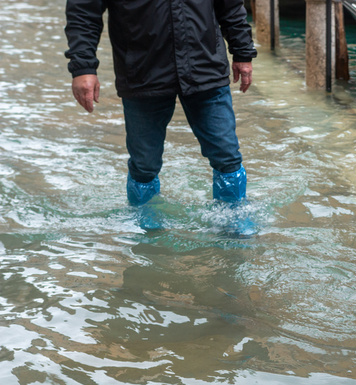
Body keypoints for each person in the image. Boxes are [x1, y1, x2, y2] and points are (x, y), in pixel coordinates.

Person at [64, 0, 257, 230]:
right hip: (142, 72)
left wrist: (242, 51)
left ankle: (235, 228)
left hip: (206, 67)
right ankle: (147, 231)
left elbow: (230, 5)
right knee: (144, 165)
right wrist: (83, 68)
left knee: (227, 155)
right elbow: (84, 12)